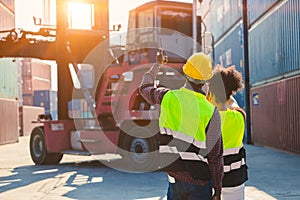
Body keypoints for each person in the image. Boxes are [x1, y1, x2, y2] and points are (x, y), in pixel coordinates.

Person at [139, 50, 223, 200]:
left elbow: (144, 88)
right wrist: (217, 190)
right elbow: (216, 157)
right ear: (206, 80)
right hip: (200, 183)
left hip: (175, 179)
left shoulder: (168, 97)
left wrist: (157, 65)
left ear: (185, 74)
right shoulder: (211, 112)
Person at [207, 65, 248, 200]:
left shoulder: (207, 121)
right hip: (236, 180)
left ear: (211, 93)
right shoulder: (240, 117)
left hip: (214, 182)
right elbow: (233, 103)